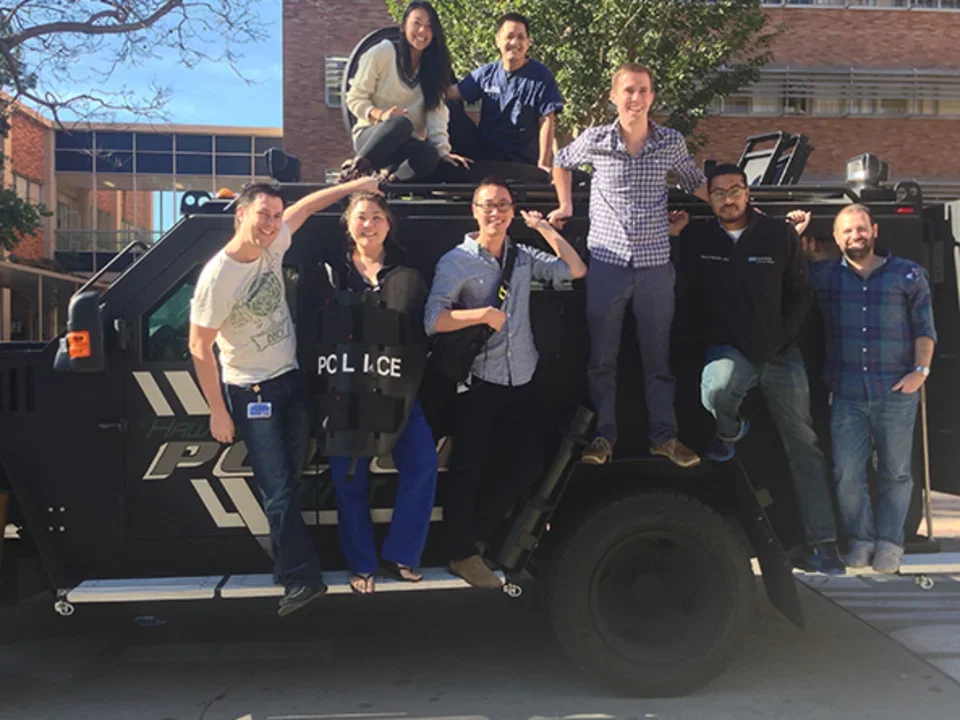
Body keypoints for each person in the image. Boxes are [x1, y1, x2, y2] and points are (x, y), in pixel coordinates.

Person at [189, 175, 380, 616]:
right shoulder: (218, 276)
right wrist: (217, 411)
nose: (272, 223)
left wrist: (358, 185)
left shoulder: (274, 243)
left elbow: (309, 205)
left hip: (291, 381)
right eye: (263, 215)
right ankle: (300, 580)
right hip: (252, 392)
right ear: (242, 215)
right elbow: (199, 347)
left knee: (289, 483)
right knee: (277, 489)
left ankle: (286, 568)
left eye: (276, 215)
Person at [670, 164, 846, 575]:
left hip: (781, 355)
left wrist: (785, 335)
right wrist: (676, 240)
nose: (728, 199)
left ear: (747, 193)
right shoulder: (698, 237)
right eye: (719, 193)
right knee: (715, 392)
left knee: (804, 445)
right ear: (708, 198)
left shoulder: (778, 234)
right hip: (731, 350)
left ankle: (823, 541)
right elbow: (684, 292)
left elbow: (801, 292)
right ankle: (730, 431)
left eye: (735, 190)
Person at [425, 176, 587, 588]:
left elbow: (575, 270)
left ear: (513, 211)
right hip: (479, 381)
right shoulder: (455, 261)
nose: (494, 212)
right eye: (486, 205)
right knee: (469, 469)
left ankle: (477, 539)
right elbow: (433, 320)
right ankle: (462, 554)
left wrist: (546, 229)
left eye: (502, 205)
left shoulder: (524, 256)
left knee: (528, 467)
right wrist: (481, 315)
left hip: (523, 377)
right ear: (474, 212)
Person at [548, 62, 706, 468]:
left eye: (644, 90)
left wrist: (734, 204)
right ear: (614, 96)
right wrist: (565, 204)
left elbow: (691, 180)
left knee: (658, 359)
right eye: (629, 91)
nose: (636, 98)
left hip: (656, 266)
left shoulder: (670, 141)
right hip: (607, 263)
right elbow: (561, 161)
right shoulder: (596, 139)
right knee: (602, 359)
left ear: (652, 96)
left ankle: (664, 437)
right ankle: (603, 438)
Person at [793, 204, 937, 573]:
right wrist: (797, 239)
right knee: (847, 474)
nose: (855, 236)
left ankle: (890, 543)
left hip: (896, 392)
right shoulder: (824, 275)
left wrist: (920, 371)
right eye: (846, 231)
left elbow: (925, 328)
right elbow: (785, 274)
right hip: (846, 394)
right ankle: (861, 540)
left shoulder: (908, 274)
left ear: (874, 230)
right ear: (837, 239)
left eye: (860, 229)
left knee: (896, 472)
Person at [325, 192, 439, 595]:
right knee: (348, 479)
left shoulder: (408, 274)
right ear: (347, 224)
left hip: (398, 389)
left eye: (376, 216)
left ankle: (401, 553)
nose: (368, 224)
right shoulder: (331, 272)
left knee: (424, 464)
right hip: (345, 394)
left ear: (388, 224)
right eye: (360, 217)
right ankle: (361, 563)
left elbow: (425, 328)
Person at [342, 1, 470, 183]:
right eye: (416, 24)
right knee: (400, 124)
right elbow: (355, 98)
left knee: (429, 155)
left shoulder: (434, 69)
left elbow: (437, 114)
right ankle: (353, 172)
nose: (422, 32)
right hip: (373, 138)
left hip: (405, 146)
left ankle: (387, 182)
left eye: (428, 26)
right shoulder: (383, 52)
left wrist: (443, 152)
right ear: (403, 27)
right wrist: (382, 115)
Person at [446, 12, 563, 173]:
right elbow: (451, 93)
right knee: (450, 109)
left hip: (522, 156)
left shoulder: (541, 76)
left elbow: (546, 120)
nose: (515, 42)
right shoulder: (487, 73)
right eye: (509, 36)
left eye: (521, 37)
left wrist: (543, 164)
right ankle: (442, 159)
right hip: (486, 150)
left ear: (528, 42)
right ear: (498, 40)